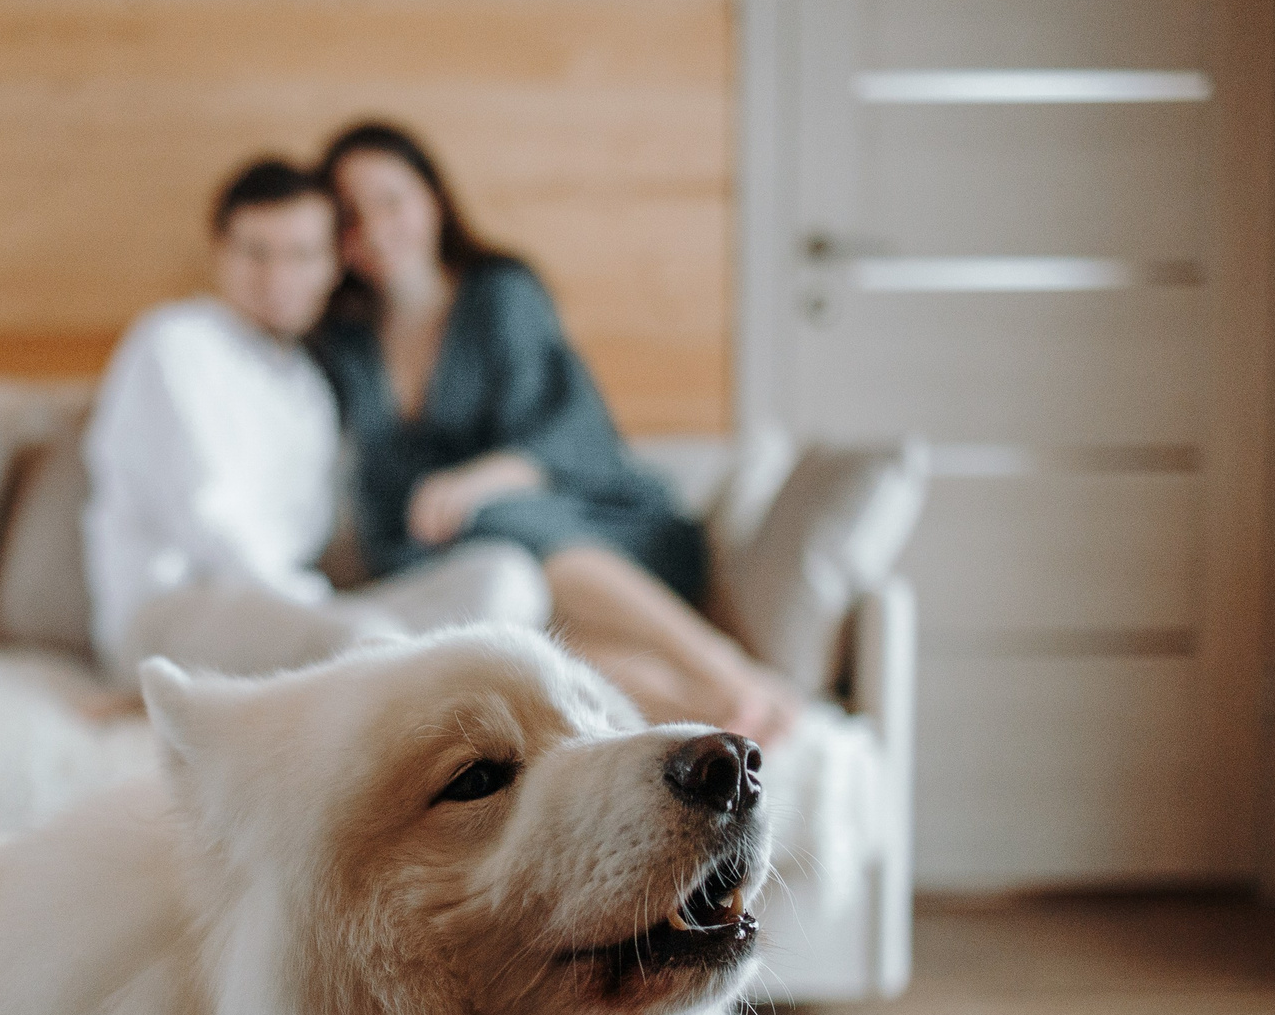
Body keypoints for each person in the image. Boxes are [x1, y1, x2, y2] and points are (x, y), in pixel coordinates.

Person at [309, 121, 800, 739]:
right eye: (350, 217)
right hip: (466, 559)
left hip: (599, 525)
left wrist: (475, 485)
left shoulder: (499, 294)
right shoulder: (344, 343)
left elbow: (567, 431)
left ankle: (724, 669)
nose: (375, 229)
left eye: (391, 201)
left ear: (432, 199)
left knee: (503, 526)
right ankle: (713, 713)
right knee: (503, 631)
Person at [82, 157, 549, 683]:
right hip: (172, 611)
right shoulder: (177, 342)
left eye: (302, 255)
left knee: (506, 580)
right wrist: (324, 609)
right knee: (356, 638)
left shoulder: (311, 387)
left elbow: (315, 537)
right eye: (256, 253)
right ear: (220, 253)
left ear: (332, 266)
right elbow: (210, 521)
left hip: (295, 611)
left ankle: (411, 679)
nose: (278, 277)